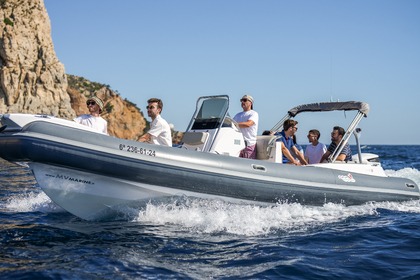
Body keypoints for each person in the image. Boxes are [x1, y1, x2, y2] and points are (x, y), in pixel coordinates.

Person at [233, 94, 259, 159]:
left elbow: (248, 124)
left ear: (250, 103)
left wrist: (235, 124)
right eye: (241, 100)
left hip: (249, 145)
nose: (242, 102)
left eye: (244, 100)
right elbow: (230, 124)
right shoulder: (237, 115)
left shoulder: (254, 113)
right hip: (238, 145)